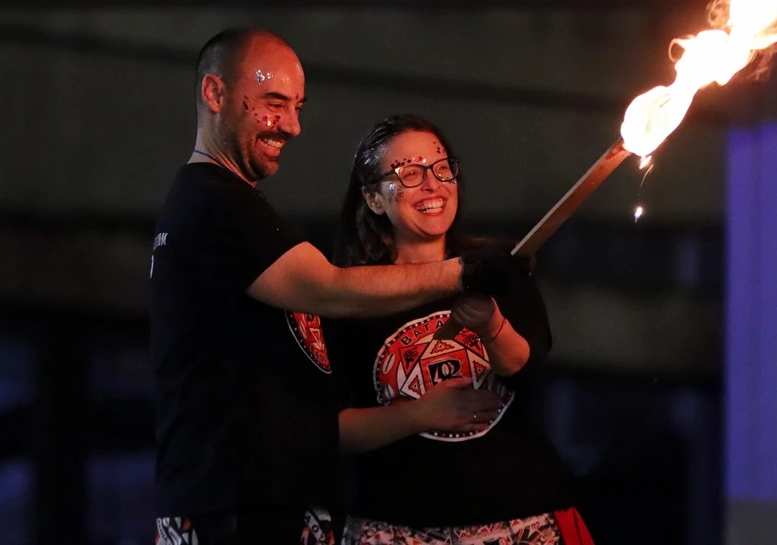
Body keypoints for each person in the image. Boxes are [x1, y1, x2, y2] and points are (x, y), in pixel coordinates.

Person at [149, 29, 529, 545]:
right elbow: (326, 288)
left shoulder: (228, 205)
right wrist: (464, 273)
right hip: (236, 510)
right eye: (274, 102)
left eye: (297, 106)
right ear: (215, 94)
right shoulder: (213, 204)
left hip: (264, 505)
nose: (292, 125)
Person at [327, 114, 595, 544]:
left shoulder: (497, 266)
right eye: (409, 173)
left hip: (519, 520)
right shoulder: (347, 294)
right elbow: (329, 430)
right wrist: (418, 413)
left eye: (441, 168)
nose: (432, 185)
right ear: (374, 199)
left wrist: (491, 325)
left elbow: (525, 366)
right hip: (395, 526)